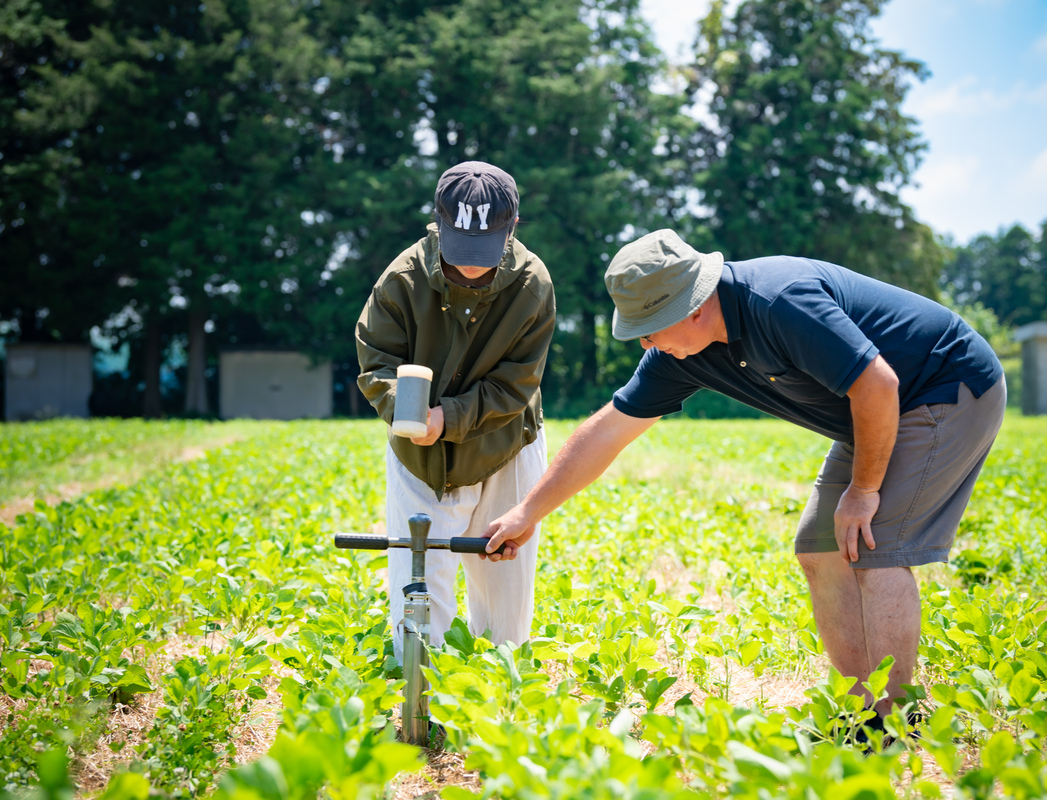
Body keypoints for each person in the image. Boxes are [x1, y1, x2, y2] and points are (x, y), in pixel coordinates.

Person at [483, 229, 1004, 719]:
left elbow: (878, 385)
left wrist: (864, 490)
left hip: (943, 386)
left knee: (875, 545)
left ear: (692, 307)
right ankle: (861, 715)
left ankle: (896, 722)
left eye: (649, 328)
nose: (644, 344)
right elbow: (607, 431)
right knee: (821, 547)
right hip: (870, 410)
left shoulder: (780, 302)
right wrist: (527, 512)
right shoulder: (678, 353)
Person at [356, 161, 555, 659]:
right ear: (438, 223)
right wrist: (407, 413)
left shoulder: (532, 284)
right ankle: (419, 686)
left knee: (506, 599)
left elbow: (517, 382)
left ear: (512, 226)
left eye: (484, 249)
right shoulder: (402, 279)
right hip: (421, 454)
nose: (470, 265)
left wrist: (451, 417)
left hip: (505, 444)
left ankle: (495, 689)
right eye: (460, 247)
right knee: (418, 585)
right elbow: (376, 360)